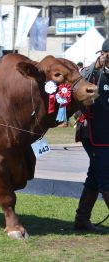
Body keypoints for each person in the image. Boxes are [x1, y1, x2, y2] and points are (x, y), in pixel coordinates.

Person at [74, 39, 109, 231]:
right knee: (105, 176)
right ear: (103, 54)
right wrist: (96, 64)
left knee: (95, 177)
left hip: (107, 132)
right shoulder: (93, 73)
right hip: (92, 132)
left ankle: (82, 219)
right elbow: (79, 80)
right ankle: (81, 218)